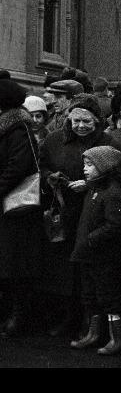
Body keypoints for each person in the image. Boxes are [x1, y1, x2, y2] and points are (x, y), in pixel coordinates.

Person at [39, 93, 121, 339]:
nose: (80, 126)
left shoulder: (108, 142)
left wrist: (89, 185)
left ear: (97, 121)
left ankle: (91, 323)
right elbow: (42, 166)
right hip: (64, 210)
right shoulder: (55, 140)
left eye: (86, 121)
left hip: (94, 212)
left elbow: (118, 174)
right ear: (68, 120)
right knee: (64, 270)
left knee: (90, 272)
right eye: (76, 121)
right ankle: (68, 317)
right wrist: (50, 178)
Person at [68, 146, 121, 355]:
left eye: (90, 164)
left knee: (109, 297)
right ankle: (92, 334)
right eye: (85, 164)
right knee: (90, 295)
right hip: (89, 256)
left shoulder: (111, 193)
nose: (85, 169)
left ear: (104, 167)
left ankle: (116, 339)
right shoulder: (93, 189)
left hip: (103, 257)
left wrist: (92, 238)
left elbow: (116, 225)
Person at [0, 80, 42, 339]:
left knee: (14, 266)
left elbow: (19, 166)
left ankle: (19, 316)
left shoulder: (18, 129)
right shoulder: (11, 127)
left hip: (15, 208)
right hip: (7, 206)